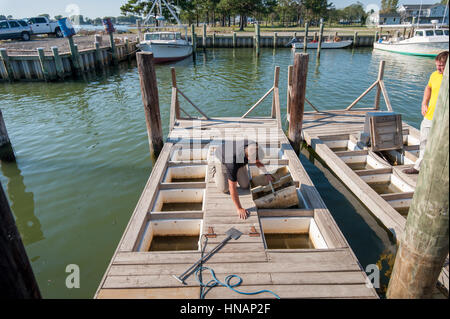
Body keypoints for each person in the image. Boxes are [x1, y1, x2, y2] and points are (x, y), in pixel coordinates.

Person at [403, 50, 448, 174]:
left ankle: (439, 171)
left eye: (442, 66)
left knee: (443, 146)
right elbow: (428, 88)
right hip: (430, 116)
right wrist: (424, 103)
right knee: (424, 142)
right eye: (437, 65)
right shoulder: (434, 75)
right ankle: (419, 167)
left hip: (445, 119)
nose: (438, 68)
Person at [212, 140, 273, 219]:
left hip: (236, 154)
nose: (256, 161)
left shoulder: (255, 147)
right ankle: (215, 172)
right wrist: (239, 208)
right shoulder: (232, 162)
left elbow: (258, 161)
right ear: (248, 157)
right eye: (254, 160)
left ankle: (239, 169)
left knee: (245, 185)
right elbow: (232, 187)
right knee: (224, 189)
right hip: (222, 157)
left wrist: (266, 173)